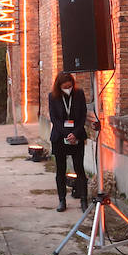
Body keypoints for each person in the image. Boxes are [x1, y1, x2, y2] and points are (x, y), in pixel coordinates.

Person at [48, 72, 89, 213]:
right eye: (65, 87)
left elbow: (83, 115)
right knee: (60, 169)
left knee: (79, 169)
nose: (68, 89)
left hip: (76, 135)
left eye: (70, 86)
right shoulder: (52, 97)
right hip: (60, 137)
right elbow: (54, 118)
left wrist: (75, 134)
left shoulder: (79, 94)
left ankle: (84, 199)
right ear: (59, 86)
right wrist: (66, 134)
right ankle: (62, 200)